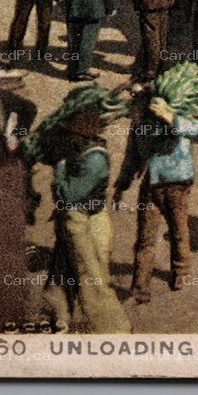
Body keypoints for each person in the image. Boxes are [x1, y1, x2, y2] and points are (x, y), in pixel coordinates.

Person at [44, 103, 131, 333]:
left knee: (91, 275)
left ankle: (113, 331)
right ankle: (60, 314)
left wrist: (60, 168)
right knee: (72, 266)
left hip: (80, 217)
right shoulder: (83, 149)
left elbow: (68, 194)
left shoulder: (93, 160)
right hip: (81, 215)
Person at [114, 78, 198, 302]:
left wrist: (171, 117)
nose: (132, 111)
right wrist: (122, 184)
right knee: (145, 236)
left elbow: (195, 128)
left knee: (178, 230)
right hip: (150, 184)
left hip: (176, 184)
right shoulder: (138, 127)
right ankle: (140, 286)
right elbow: (131, 157)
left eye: (136, 105)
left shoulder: (170, 119)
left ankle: (180, 271)